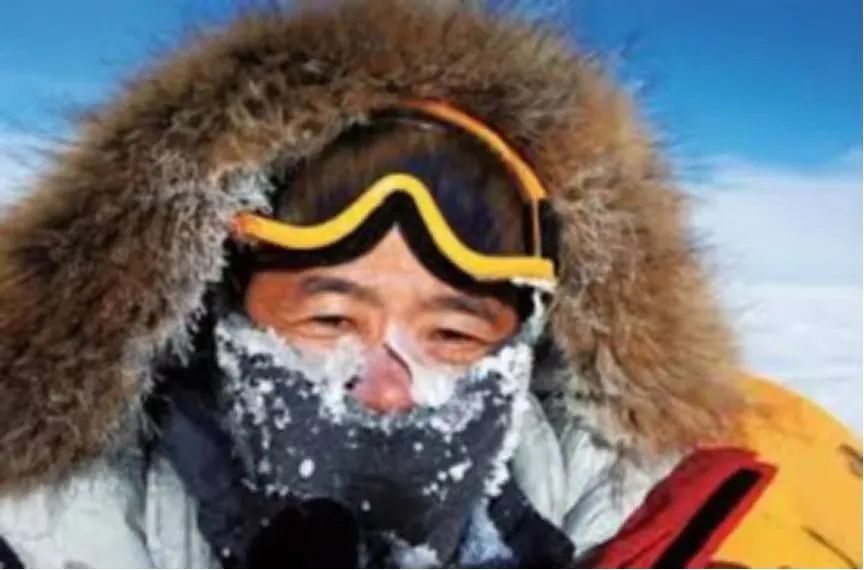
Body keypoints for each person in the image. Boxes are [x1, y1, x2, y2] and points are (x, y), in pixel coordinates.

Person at [0, 1, 859, 567]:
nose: (387, 390)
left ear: (527, 357)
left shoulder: (703, 520)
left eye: (451, 335)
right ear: (213, 322)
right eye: (330, 320)